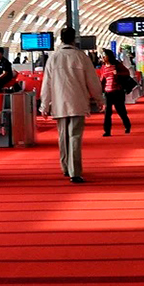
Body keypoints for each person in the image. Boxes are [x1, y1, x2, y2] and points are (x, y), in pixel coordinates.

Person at [40, 28, 103, 183]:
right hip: (78, 101)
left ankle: (65, 167)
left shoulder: (53, 57)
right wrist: (99, 99)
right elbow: (92, 81)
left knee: (62, 136)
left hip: (59, 102)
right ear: (74, 39)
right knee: (74, 135)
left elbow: (46, 83)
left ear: (60, 39)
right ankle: (75, 171)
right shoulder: (81, 57)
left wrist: (44, 105)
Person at [98, 49, 132, 137]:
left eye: (104, 56)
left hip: (117, 91)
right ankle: (107, 131)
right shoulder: (103, 67)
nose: (103, 57)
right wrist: (100, 91)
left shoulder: (117, 65)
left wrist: (118, 74)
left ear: (109, 56)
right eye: (102, 56)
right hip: (107, 92)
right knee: (107, 112)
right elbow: (102, 80)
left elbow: (127, 73)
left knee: (121, 111)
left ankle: (127, 125)